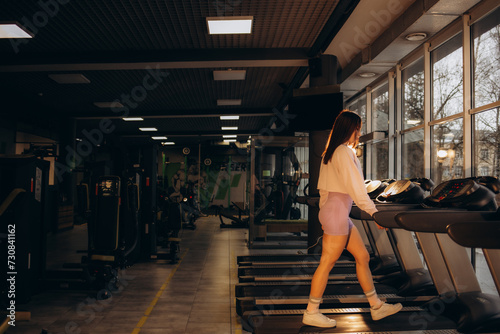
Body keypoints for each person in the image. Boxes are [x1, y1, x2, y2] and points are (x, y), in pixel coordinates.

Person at [302, 110, 402, 328]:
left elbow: (325, 190)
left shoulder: (332, 152)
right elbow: (356, 188)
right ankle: (311, 311)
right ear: (351, 129)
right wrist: (374, 213)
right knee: (327, 262)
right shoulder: (344, 153)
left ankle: (376, 306)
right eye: (358, 128)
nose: (359, 133)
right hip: (337, 213)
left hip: (335, 211)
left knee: (363, 256)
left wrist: (324, 214)